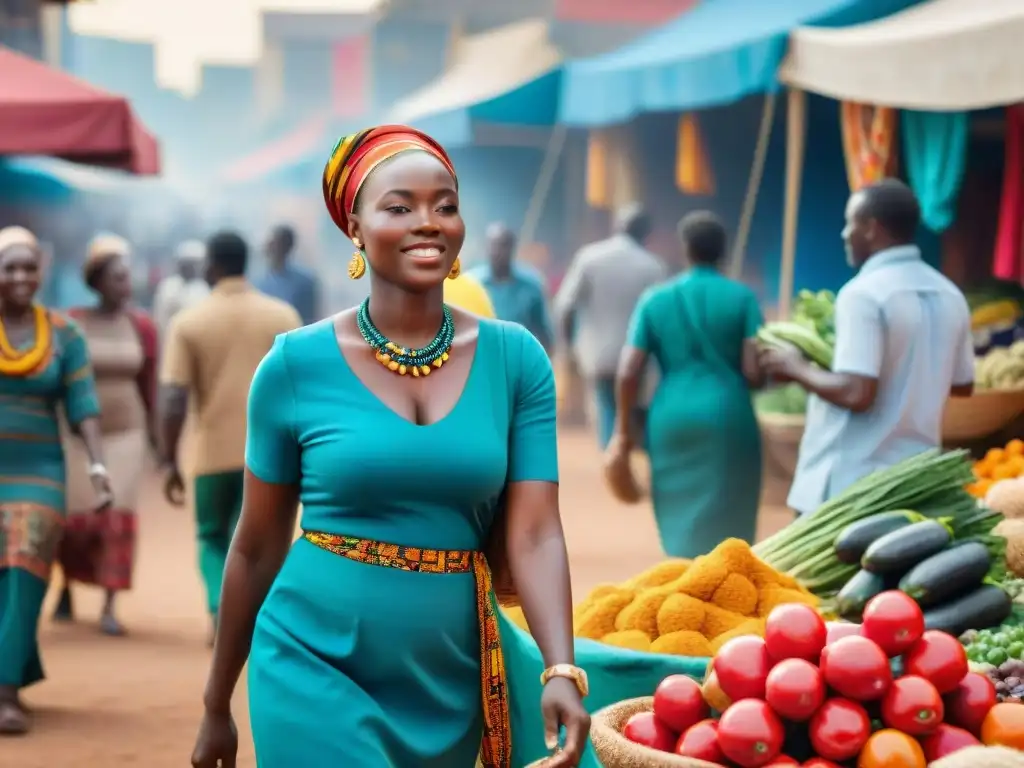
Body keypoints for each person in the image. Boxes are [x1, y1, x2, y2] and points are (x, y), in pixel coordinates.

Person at [189, 125, 589, 768]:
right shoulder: (295, 365)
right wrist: (215, 705)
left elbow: (537, 533)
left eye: (445, 205)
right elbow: (256, 545)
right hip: (311, 658)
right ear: (355, 226)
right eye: (399, 206)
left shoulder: (518, 361)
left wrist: (560, 668)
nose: (428, 222)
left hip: (448, 672)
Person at [761, 179, 975, 515]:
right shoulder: (951, 295)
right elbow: (963, 385)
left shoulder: (863, 293)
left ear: (872, 228)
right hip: (915, 482)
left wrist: (794, 366)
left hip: (850, 486)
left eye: (851, 223)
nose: (845, 234)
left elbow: (856, 393)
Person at [159, 232, 301, 642]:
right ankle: (255, 620)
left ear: (213, 267)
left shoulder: (189, 321)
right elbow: (302, 387)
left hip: (212, 454)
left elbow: (172, 399)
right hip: (273, 456)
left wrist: (169, 459)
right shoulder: (283, 316)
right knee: (263, 541)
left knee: (211, 536)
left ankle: (222, 612)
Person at [0, 226, 111, 735]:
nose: (21, 277)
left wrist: (97, 464)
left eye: (29, 267)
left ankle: (6, 693)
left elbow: (83, 404)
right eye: (10, 267)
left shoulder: (64, 334)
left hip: (40, 471)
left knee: (25, 564)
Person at [605, 212, 764, 557]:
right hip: (728, 415)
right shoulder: (743, 298)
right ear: (723, 252)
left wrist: (622, 431)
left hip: (670, 416)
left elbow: (628, 371)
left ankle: (684, 586)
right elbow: (754, 371)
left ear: (685, 249)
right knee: (730, 517)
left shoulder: (654, 299)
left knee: (677, 512)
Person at [54, 235, 159, 636]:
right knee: (76, 515)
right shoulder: (71, 323)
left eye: (126, 277)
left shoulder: (142, 326)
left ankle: (109, 604)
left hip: (127, 432)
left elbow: (150, 384)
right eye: (116, 278)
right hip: (78, 433)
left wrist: (157, 443)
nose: (125, 285)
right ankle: (66, 586)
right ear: (96, 282)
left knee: (117, 514)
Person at [554, 203, 667, 448]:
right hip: (638, 355)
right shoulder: (653, 266)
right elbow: (661, 315)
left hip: (598, 354)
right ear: (645, 233)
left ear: (616, 227)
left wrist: (568, 346)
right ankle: (635, 460)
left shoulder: (589, 257)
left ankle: (610, 457)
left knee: (606, 405)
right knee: (633, 408)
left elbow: (565, 306)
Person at [469, 223, 554, 351]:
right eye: (493, 246)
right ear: (486, 248)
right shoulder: (472, 284)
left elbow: (543, 331)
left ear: (512, 248)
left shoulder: (531, 285)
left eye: (503, 246)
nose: (498, 252)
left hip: (520, 360)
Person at [255, 224, 320, 325]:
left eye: (275, 243)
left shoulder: (304, 282)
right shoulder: (258, 280)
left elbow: (309, 319)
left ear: (286, 246)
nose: (269, 246)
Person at [152, 239, 209, 336]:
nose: (192, 268)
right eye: (188, 263)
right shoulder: (168, 287)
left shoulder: (203, 289)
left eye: (195, 264)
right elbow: (160, 320)